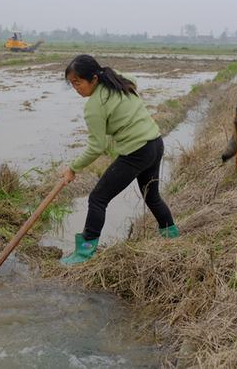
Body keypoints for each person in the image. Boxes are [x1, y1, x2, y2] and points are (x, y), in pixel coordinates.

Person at [60, 55, 179, 266]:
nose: (75, 88)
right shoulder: (120, 81)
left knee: (97, 198)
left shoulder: (94, 106)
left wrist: (72, 168)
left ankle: (84, 253)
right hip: (154, 142)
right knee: (151, 196)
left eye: (78, 82)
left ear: (94, 79)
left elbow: (96, 146)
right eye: (72, 84)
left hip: (137, 151)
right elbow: (133, 79)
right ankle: (171, 235)